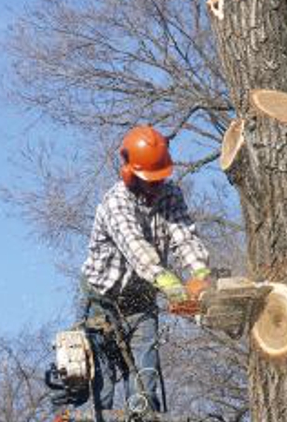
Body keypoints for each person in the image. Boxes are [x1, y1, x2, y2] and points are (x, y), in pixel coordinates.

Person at [81, 125, 210, 418]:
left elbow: (183, 235)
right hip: (102, 301)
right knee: (102, 385)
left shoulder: (170, 195)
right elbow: (136, 249)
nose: (156, 187)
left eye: (160, 179)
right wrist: (173, 287)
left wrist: (200, 274)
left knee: (145, 379)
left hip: (141, 300)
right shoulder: (116, 202)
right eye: (150, 181)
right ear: (130, 172)